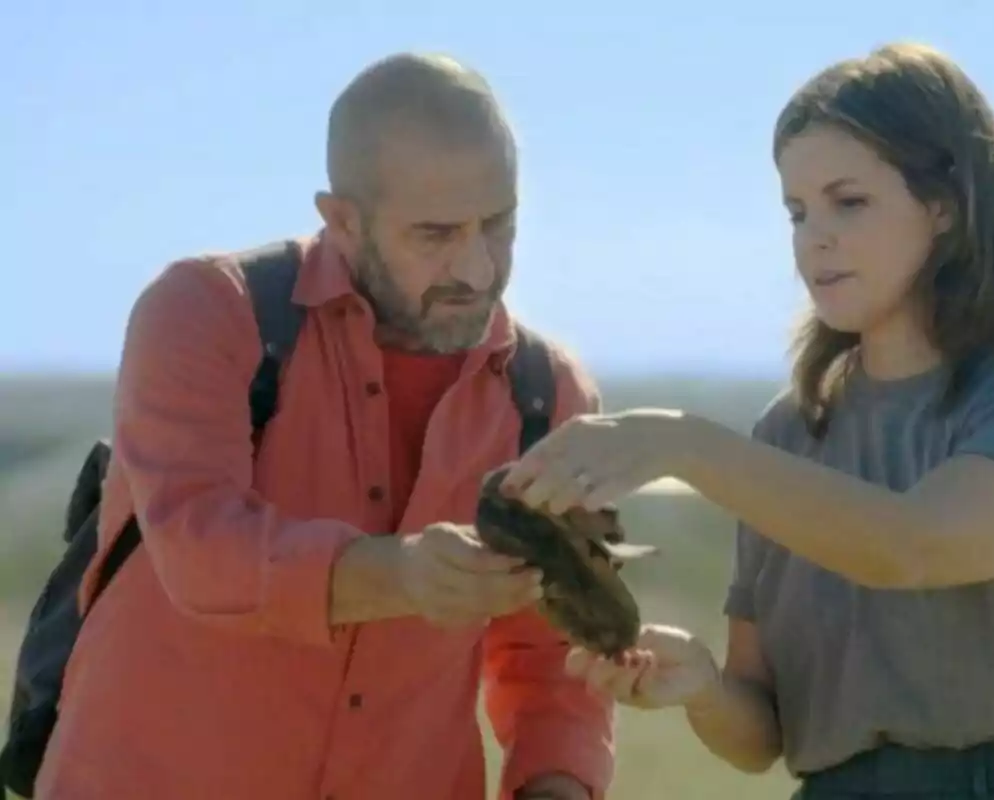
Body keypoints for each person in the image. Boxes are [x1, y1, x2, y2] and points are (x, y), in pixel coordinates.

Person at [501, 42, 994, 800]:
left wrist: (678, 441)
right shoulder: (789, 437)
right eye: (798, 211)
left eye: (848, 201)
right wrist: (701, 684)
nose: (813, 236)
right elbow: (763, 736)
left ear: (946, 207)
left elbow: (914, 546)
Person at [35, 53, 613, 800]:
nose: (477, 268)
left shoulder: (551, 394)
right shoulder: (207, 311)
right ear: (341, 220)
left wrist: (556, 786)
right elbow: (201, 547)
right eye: (435, 234)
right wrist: (399, 575)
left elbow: (553, 661)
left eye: (499, 225)